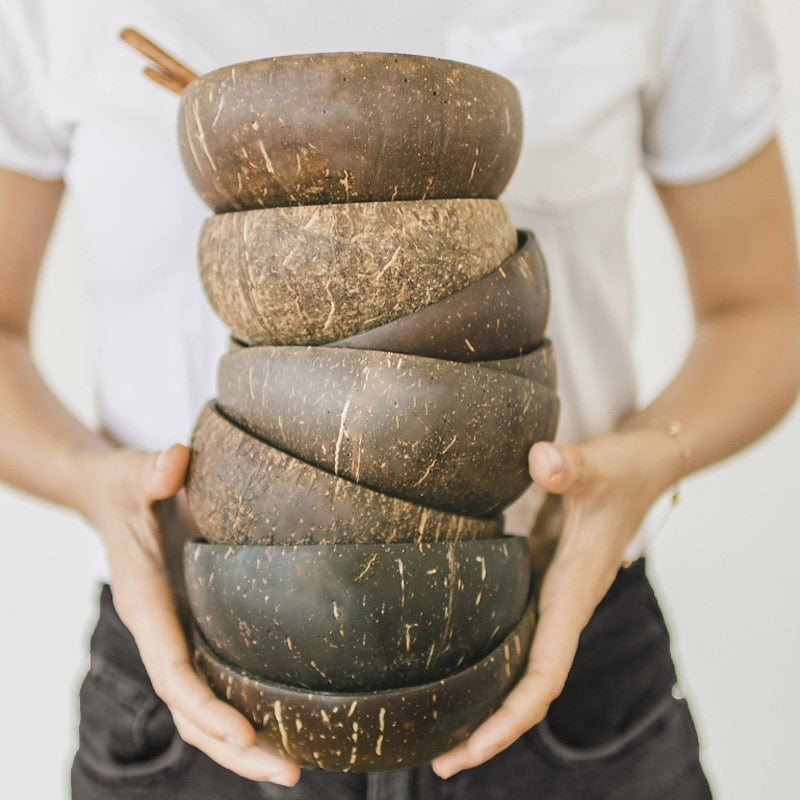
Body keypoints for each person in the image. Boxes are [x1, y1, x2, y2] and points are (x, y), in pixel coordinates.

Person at [1, 1, 799, 798]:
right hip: (186, 662)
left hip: (566, 643)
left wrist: (651, 461)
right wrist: (93, 487)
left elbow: (763, 308)